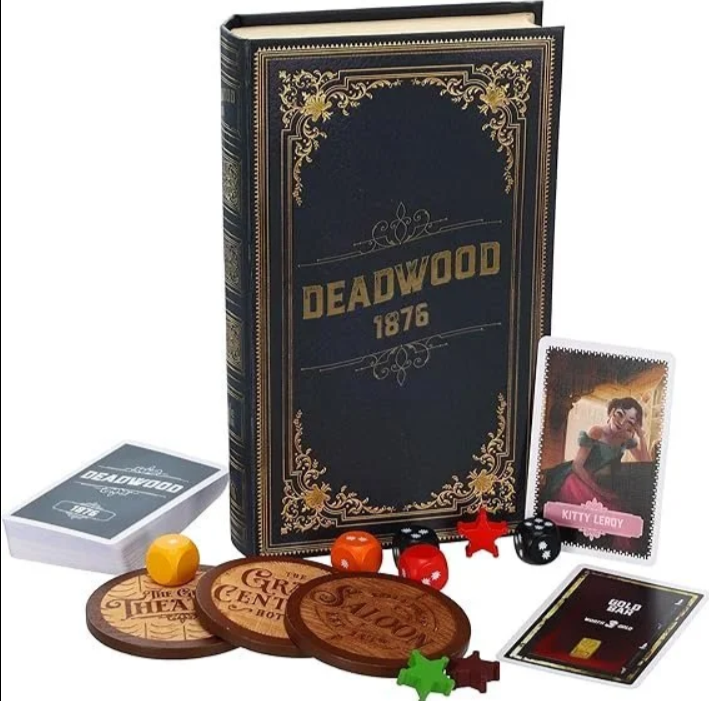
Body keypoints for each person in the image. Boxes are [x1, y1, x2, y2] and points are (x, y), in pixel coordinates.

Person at [542, 398, 651, 548]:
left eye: (629, 422)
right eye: (620, 414)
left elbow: (646, 462)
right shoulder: (596, 432)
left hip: (600, 484)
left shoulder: (625, 439)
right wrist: (600, 491)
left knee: (620, 518)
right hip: (577, 480)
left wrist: (642, 436)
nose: (621, 422)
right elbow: (577, 465)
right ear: (612, 412)